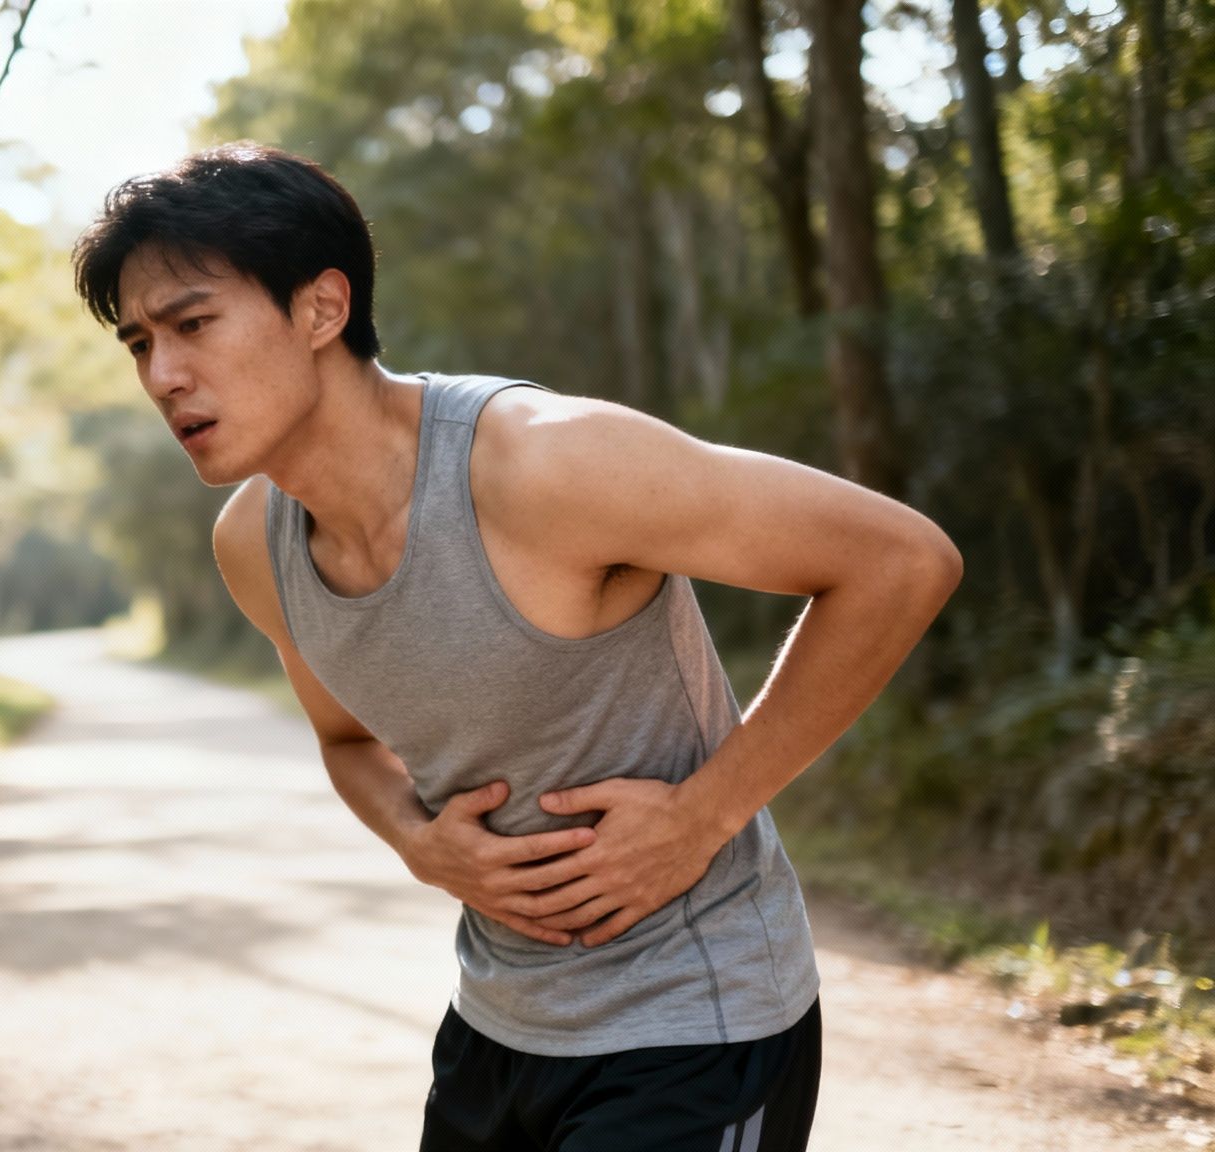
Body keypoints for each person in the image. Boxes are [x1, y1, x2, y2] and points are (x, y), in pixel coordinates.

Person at [70, 142, 962, 1151]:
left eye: (191, 324)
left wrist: (702, 815)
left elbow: (899, 560)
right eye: (138, 343)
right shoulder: (252, 545)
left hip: (694, 1026)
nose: (162, 374)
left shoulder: (544, 464)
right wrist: (413, 840)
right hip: (494, 1030)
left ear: (320, 309)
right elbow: (348, 744)